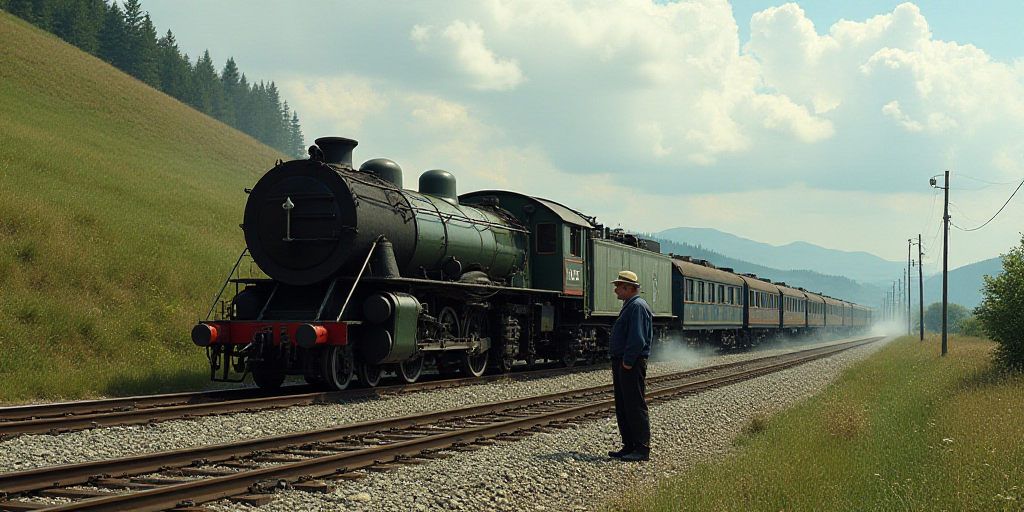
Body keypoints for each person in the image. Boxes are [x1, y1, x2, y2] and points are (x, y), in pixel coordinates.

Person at [607, 270, 653, 462]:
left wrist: (626, 362)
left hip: (631, 363)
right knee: (624, 405)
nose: (616, 290)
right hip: (623, 362)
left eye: (618, 286)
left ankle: (641, 448)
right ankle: (629, 445)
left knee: (634, 404)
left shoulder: (637, 307)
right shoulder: (630, 305)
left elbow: (637, 338)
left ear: (628, 288)